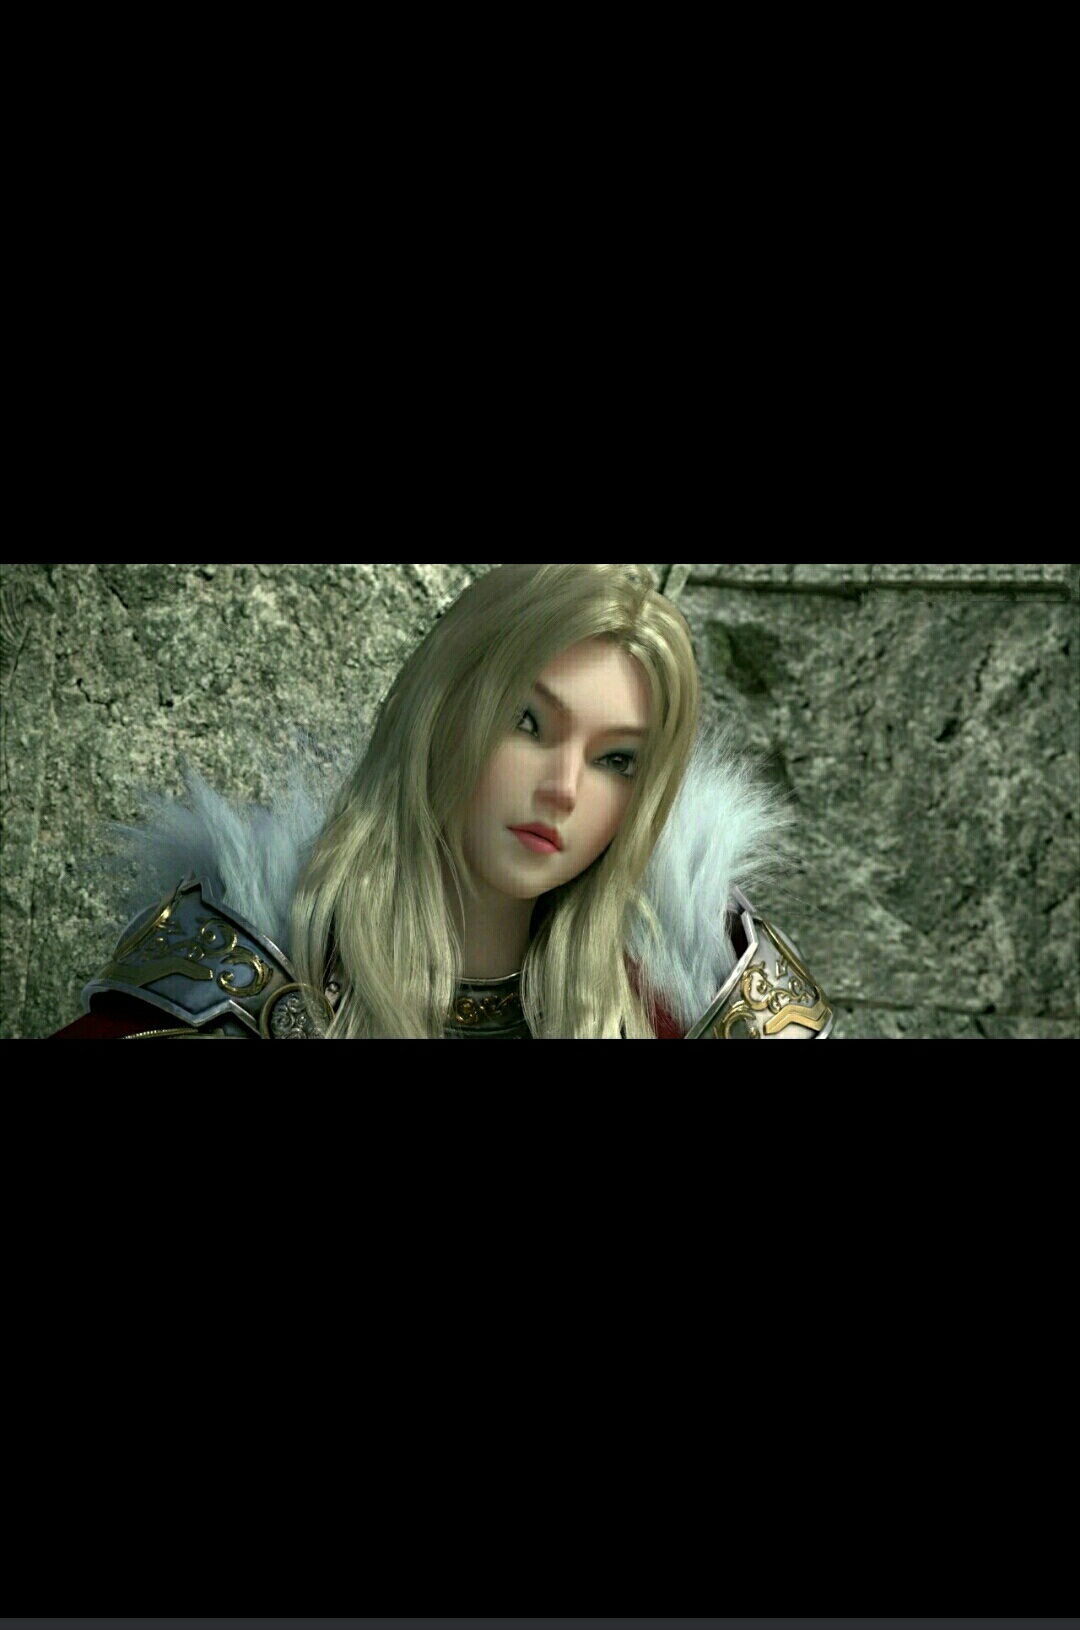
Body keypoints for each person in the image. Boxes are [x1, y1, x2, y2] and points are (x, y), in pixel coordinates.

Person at [51, 563, 833, 1040]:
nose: (563, 788)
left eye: (615, 760)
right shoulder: (241, 990)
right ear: (443, 711)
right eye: (528, 723)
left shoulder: (678, 1013)